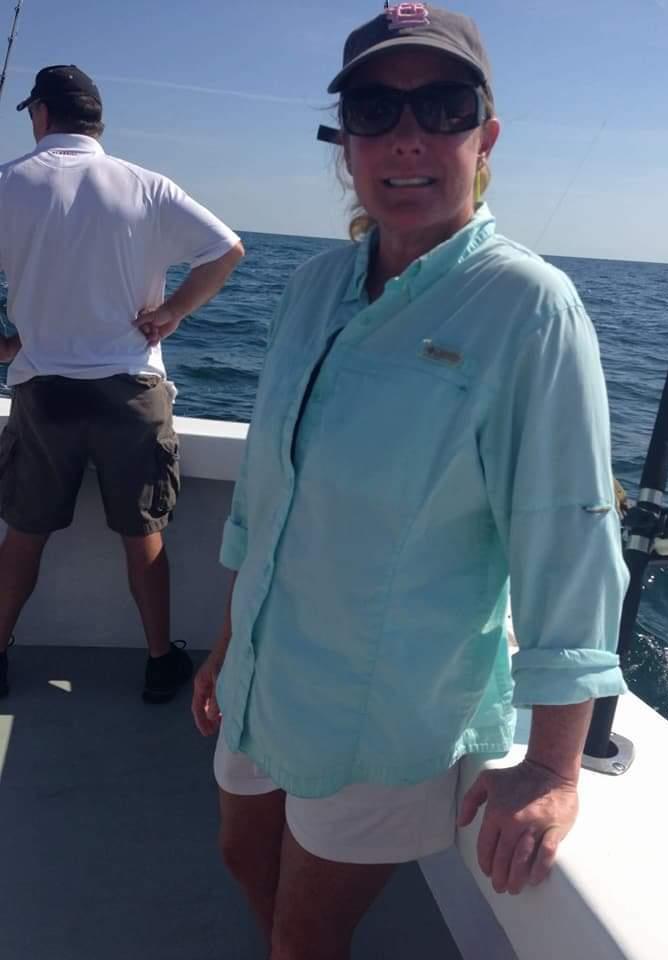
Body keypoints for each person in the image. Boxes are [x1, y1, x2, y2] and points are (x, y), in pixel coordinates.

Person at [192, 5, 629, 957]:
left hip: (385, 712)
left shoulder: (530, 307)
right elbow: (266, 492)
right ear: (343, 142)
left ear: (487, 137)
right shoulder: (310, 289)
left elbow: (568, 537)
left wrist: (555, 765)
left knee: (307, 937)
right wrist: (228, 642)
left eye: (443, 106)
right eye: (373, 110)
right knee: (239, 856)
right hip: (267, 677)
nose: (408, 138)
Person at [0, 65, 244, 702]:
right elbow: (227, 250)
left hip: (42, 392)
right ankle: (161, 662)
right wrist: (172, 313)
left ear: (42, 115)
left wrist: (9, 343)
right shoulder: (148, 185)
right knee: (143, 532)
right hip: (131, 392)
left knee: (24, 533)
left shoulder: (9, 181)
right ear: (97, 121)